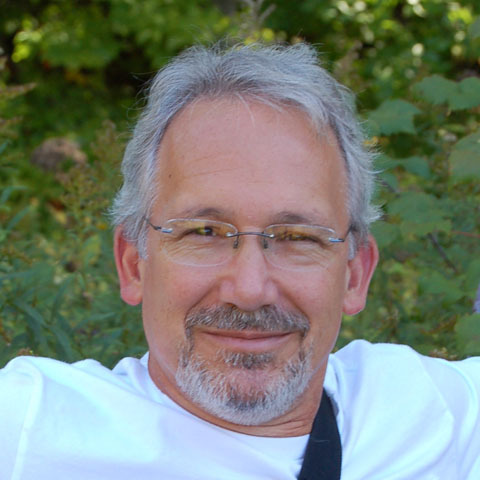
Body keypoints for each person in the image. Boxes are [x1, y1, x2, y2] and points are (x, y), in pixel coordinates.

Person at [1, 43, 479, 480]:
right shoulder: (33, 426)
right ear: (133, 263)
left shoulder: (433, 415)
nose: (250, 290)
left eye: (297, 237)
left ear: (355, 274)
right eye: (204, 232)